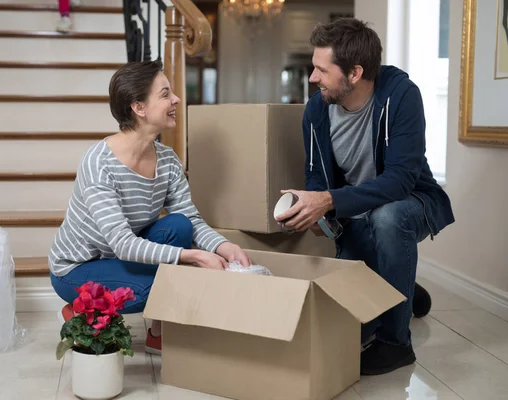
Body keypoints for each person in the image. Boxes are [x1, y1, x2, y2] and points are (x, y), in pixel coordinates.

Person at [275, 18, 455, 375]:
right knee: (351, 328)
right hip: (355, 212)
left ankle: (396, 344)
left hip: (412, 202)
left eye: (321, 70)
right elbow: (316, 175)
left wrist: (329, 200)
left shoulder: (402, 95)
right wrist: (316, 210)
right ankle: (403, 285)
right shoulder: (316, 109)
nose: (312, 78)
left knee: (387, 218)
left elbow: (401, 181)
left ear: (355, 73)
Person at [49, 59, 251, 355]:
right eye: (166, 94)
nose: (176, 100)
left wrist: (222, 246)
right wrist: (191, 258)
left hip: (120, 258)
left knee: (179, 225)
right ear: (139, 107)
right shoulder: (99, 162)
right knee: (161, 284)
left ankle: (158, 332)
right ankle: (81, 310)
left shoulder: (167, 160)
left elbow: (190, 221)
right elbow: (122, 244)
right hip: (77, 269)